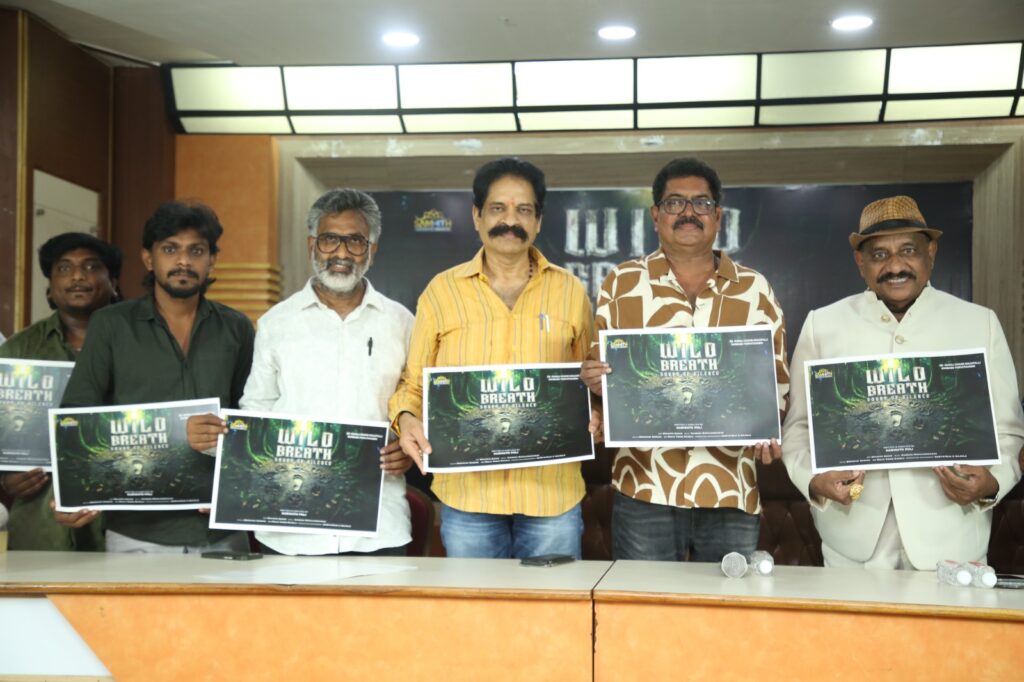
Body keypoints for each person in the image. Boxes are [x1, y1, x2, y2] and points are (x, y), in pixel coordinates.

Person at [782, 195, 1024, 569]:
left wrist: (992, 484)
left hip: (953, 537)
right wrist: (813, 481)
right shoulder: (822, 325)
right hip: (852, 540)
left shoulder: (979, 323)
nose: (895, 266)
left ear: (931, 253)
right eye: (879, 255)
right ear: (860, 262)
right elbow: (798, 428)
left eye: (908, 250)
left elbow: (1009, 432)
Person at [579, 157, 789, 562]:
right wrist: (596, 385)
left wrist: (768, 425)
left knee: (727, 603)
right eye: (675, 203)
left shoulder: (754, 288)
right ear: (655, 215)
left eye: (702, 203)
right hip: (645, 485)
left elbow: (777, 383)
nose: (689, 213)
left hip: (729, 485)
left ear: (718, 216)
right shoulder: (622, 282)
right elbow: (601, 371)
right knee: (644, 601)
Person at [390, 157, 594, 559]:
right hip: (469, 496)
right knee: (475, 603)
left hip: (551, 495)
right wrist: (407, 419)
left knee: (555, 601)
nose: (510, 221)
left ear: (539, 220)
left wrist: (598, 410)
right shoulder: (442, 292)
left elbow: (590, 380)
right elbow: (413, 385)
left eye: (524, 210)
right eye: (498, 208)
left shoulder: (570, 291)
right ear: (477, 216)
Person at [222, 188, 414, 556]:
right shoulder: (276, 323)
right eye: (329, 239)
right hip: (290, 528)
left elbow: (415, 406)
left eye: (355, 241)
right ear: (312, 245)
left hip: (378, 527)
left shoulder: (402, 323)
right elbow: (256, 412)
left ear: (372, 250)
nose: (341, 253)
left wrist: (406, 448)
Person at [58, 201, 255, 554]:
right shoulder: (111, 325)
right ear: (149, 259)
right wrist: (70, 491)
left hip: (219, 530)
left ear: (212, 260)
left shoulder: (236, 327)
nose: (183, 261)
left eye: (196, 251)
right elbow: (77, 415)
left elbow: (251, 416)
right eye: (170, 249)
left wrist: (235, 485)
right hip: (137, 532)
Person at [0, 232, 121, 550]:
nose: (78, 276)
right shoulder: (18, 351)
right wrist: (6, 478)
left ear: (113, 283)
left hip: (124, 522)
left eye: (91, 266)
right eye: (64, 268)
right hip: (40, 522)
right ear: (50, 288)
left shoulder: (140, 346)